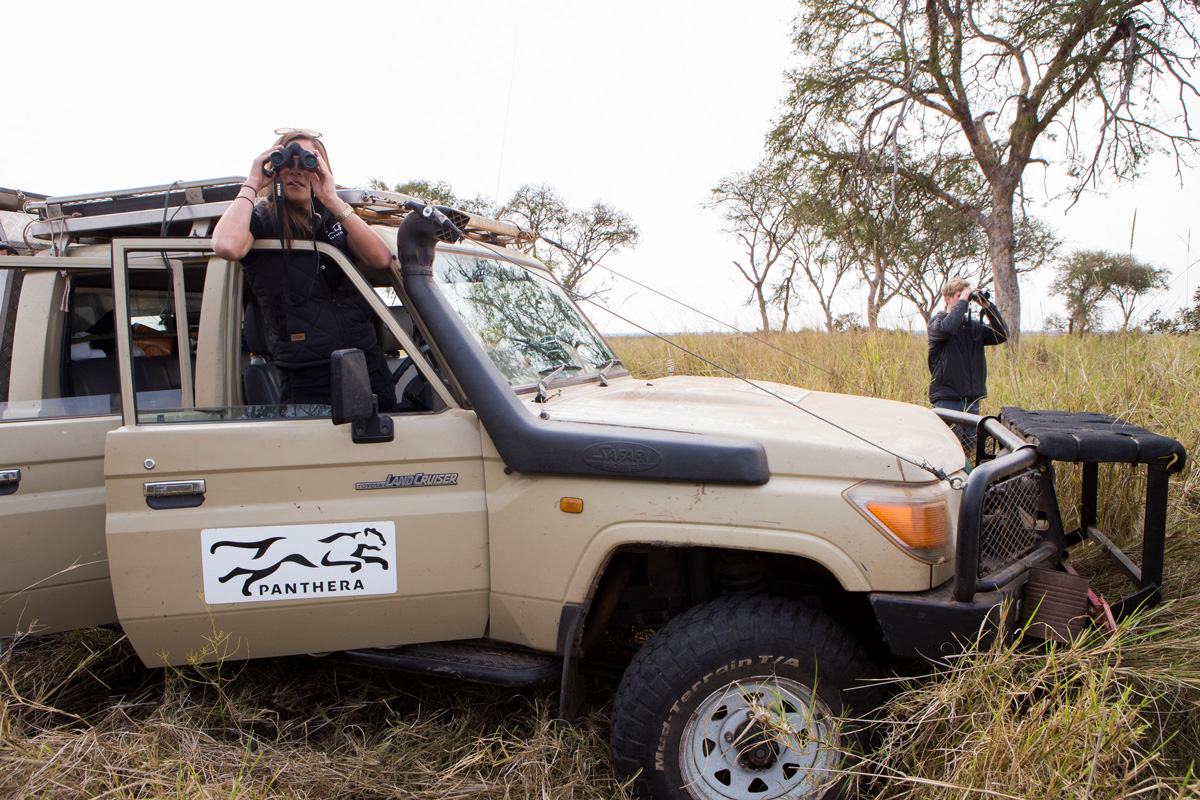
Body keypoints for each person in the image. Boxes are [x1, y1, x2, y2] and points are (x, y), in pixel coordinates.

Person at [212, 129, 397, 409]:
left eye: (308, 162)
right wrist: (252, 181)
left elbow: (381, 258)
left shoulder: (330, 219)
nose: (296, 171)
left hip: (366, 363)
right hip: (308, 375)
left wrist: (332, 199)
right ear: (273, 167)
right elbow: (226, 246)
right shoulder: (261, 219)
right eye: (287, 161)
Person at [927, 277, 1008, 416]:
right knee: (950, 438)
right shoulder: (937, 323)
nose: (965, 300)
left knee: (971, 439)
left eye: (966, 297)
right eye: (959, 296)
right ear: (948, 299)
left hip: (971, 399)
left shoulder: (973, 326)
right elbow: (949, 328)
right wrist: (963, 301)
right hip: (947, 398)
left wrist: (988, 307)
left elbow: (1001, 334)